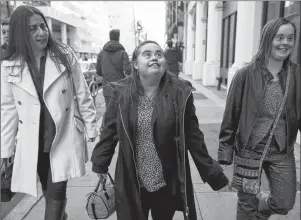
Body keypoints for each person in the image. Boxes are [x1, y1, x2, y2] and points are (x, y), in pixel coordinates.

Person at [91, 40, 229, 220]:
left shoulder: (179, 93)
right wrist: (100, 162)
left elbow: (194, 138)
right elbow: (109, 132)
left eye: (158, 54)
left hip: (166, 181)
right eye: (147, 54)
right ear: (135, 64)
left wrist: (213, 173)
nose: (154, 57)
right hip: (132, 180)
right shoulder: (121, 94)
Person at [1, 5, 99, 219]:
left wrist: (91, 128)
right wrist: (5, 150)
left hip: (62, 136)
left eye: (42, 26)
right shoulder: (10, 65)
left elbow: (82, 93)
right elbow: (8, 109)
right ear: (21, 33)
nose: (41, 32)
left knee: (56, 193)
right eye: (33, 29)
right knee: (48, 191)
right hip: (31, 142)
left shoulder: (63, 56)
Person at [218, 17, 300, 220]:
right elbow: (231, 114)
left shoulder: (297, 74)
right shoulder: (245, 74)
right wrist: (225, 150)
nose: (285, 43)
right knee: (246, 203)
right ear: (267, 38)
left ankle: (260, 210)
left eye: (290, 38)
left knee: (284, 203)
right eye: (279, 37)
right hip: (249, 151)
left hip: (282, 151)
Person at [96, 29, 131, 108]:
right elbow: (128, 71)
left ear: (110, 37)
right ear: (118, 37)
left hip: (107, 89)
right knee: (122, 113)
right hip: (121, 89)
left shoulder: (101, 53)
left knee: (110, 113)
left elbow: (98, 71)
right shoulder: (123, 53)